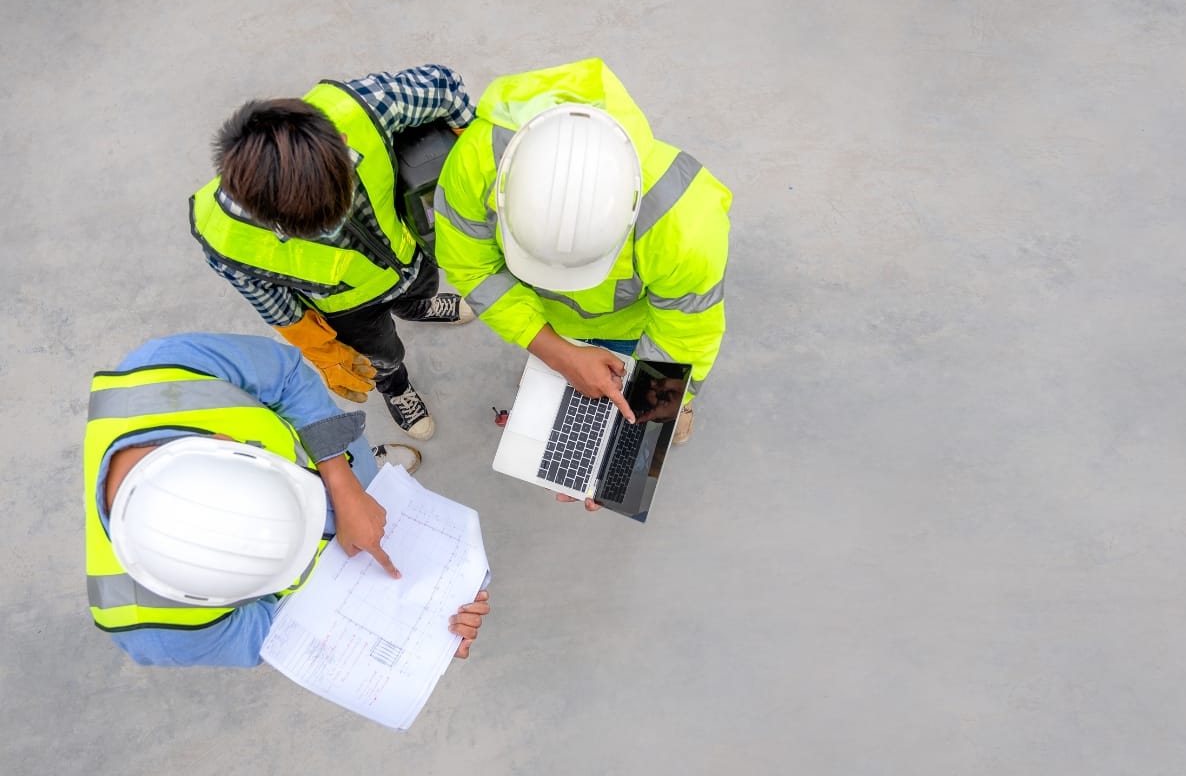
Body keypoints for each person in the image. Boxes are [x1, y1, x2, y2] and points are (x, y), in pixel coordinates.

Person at [84, 333, 490, 667]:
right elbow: (289, 636)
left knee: (356, 462)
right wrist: (422, 633)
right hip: (346, 563)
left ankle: (370, 469)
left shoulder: (167, 369)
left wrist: (343, 480)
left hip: (341, 467)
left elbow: (287, 378)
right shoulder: (158, 635)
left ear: (221, 442)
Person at [434, 58, 732, 464]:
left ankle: (670, 412)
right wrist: (556, 353)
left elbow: (682, 337)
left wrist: (638, 431)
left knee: (648, 410)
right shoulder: (478, 162)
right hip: (544, 321)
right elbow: (472, 268)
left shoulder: (684, 222)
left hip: (636, 330)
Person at [189, 65, 477, 442]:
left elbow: (444, 87)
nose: (334, 229)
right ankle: (396, 388)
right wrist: (324, 349)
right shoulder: (225, 239)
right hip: (350, 308)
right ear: (261, 212)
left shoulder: (364, 108)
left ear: (340, 141)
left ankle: (417, 307)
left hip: (409, 253)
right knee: (381, 356)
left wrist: (476, 162)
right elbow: (276, 305)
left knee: (421, 287)